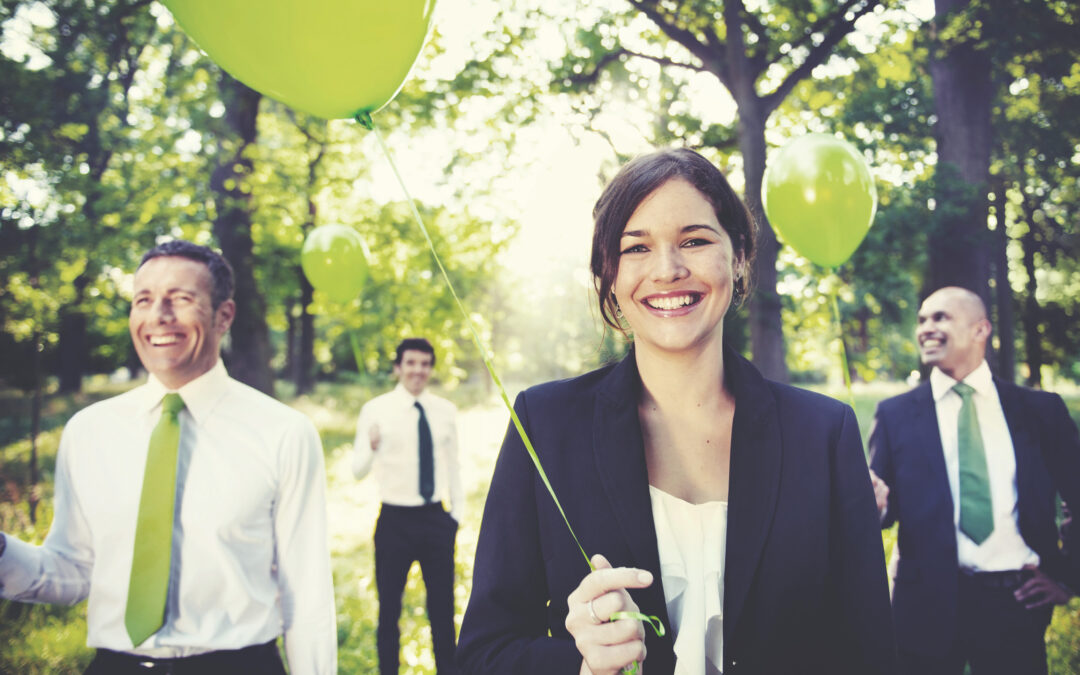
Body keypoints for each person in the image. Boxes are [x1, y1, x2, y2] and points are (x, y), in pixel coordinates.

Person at [457, 148, 896, 675]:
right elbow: (483, 654)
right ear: (608, 274)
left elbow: (868, 652)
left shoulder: (825, 433)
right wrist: (577, 663)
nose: (667, 269)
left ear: (738, 258)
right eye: (636, 247)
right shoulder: (546, 425)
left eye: (694, 240)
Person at [0, 240, 336, 674]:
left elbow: (306, 595)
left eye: (180, 299)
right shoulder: (88, 431)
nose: (158, 316)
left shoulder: (284, 433)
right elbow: (74, 571)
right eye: (144, 300)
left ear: (223, 316)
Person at [869, 286, 1080, 675]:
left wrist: (1068, 578)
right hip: (922, 605)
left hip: (1015, 602)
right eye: (921, 320)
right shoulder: (895, 414)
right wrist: (875, 506)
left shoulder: (1040, 411)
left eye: (940, 318)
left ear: (980, 330)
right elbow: (882, 510)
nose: (926, 329)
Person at [354, 338, 463, 675]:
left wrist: (455, 516)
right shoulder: (375, 410)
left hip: (435, 519)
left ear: (431, 368)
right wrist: (370, 447)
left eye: (425, 364)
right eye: (411, 363)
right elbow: (356, 471)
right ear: (398, 368)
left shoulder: (445, 411)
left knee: (443, 610)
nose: (418, 370)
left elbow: (454, 466)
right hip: (394, 520)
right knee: (389, 610)